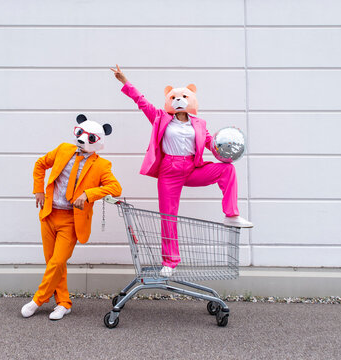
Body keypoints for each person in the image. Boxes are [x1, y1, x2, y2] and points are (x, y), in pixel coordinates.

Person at [110, 65, 252, 277]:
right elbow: (142, 102)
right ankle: (170, 261)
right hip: (169, 170)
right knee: (169, 216)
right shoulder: (160, 118)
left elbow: (210, 144)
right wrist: (125, 81)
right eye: (174, 97)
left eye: (183, 96)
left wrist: (227, 144)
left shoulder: (199, 123)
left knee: (227, 170)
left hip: (192, 168)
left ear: (191, 99)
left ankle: (231, 214)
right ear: (169, 100)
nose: (178, 100)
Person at [21, 114, 122, 320]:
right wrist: (38, 190)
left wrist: (88, 195)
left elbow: (115, 188)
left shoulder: (101, 165)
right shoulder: (63, 149)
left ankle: (38, 300)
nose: (83, 139)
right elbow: (41, 164)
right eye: (80, 133)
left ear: (98, 142)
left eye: (90, 137)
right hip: (49, 214)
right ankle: (63, 303)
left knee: (57, 262)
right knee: (53, 263)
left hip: (71, 220)